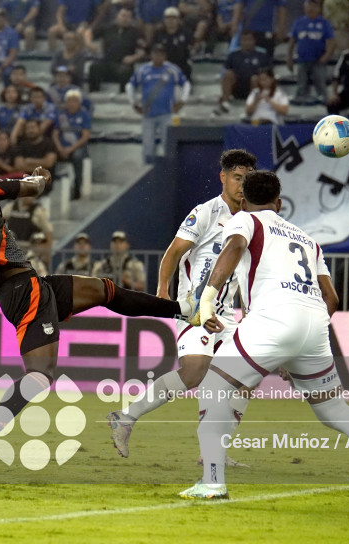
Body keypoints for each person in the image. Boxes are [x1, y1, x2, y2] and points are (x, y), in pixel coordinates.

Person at [0, 157, 196, 472]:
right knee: (39, 376)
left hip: (22, 288)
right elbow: (34, 187)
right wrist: (40, 176)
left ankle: (181, 309)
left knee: (103, 290)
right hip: (25, 289)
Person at [179, 169, 349, 500]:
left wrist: (207, 300)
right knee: (335, 410)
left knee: (213, 387)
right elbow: (333, 299)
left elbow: (234, 248)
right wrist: (295, 349)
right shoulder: (307, 240)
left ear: (244, 200)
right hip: (314, 324)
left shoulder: (245, 221)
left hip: (272, 318)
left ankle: (212, 483)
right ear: (279, 203)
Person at [107, 149, 256, 460]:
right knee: (194, 371)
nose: (243, 185)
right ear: (223, 178)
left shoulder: (252, 222)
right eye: (238, 179)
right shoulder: (205, 212)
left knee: (246, 378)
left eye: (248, 179)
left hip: (227, 314)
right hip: (194, 309)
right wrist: (163, 289)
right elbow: (173, 253)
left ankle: (215, 448)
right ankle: (127, 416)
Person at [126, 43, 190, 164]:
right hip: (148, 114)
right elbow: (130, 86)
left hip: (167, 113)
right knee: (147, 146)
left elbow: (186, 84)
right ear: (151, 55)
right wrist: (133, 103)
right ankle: (147, 172)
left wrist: (182, 101)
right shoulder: (143, 70)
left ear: (164, 56)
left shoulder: (172, 69)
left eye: (160, 54)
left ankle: (170, 172)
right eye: (155, 53)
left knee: (168, 145)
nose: (158, 56)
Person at [87, 8, 145, 93]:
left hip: (123, 65)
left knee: (126, 71)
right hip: (107, 63)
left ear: (131, 19)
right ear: (117, 16)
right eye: (123, 15)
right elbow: (88, 32)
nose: (125, 18)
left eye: (128, 17)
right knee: (94, 68)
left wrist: (133, 58)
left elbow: (143, 51)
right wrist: (89, 44)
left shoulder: (135, 32)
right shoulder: (107, 28)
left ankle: (124, 96)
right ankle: (94, 93)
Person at [213, 30, 270, 116]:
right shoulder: (233, 55)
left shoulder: (262, 55)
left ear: (254, 41)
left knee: (256, 79)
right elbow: (227, 72)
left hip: (254, 86)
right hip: (237, 86)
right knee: (228, 74)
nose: (247, 42)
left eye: (249, 40)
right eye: (244, 40)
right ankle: (225, 103)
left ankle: (252, 106)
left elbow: (266, 75)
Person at [287, 0, 335, 101]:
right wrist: (289, 57)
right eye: (308, 7)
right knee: (301, 84)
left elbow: (331, 42)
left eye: (313, 7)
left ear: (318, 9)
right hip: (302, 60)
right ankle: (301, 106)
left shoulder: (324, 23)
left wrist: (326, 57)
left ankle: (324, 106)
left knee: (321, 85)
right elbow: (292, 41)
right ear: (304, 9)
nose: (311, 9)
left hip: (318, 60)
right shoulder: (298, 22)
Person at [53, 89, 92, 200]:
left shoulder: (84, 115)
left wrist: (70, 149)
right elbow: (55, 134)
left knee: (77, 156)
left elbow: (85, 136)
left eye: (75, 101)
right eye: (69, 101)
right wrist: (59, 148)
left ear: (79, 102)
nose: (72, 103)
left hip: (78, 146)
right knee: (50, 154)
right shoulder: (61, 115)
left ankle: (77, 186)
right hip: (61, 146)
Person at [153, 6, 195, 81]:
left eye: (173, 18)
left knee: (187, 68)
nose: (170, 21)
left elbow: (192, 48)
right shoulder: (158, 34)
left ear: (178, 20)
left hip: (181, 64)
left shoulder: (186, 33)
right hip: (163, 65)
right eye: (168, 18)